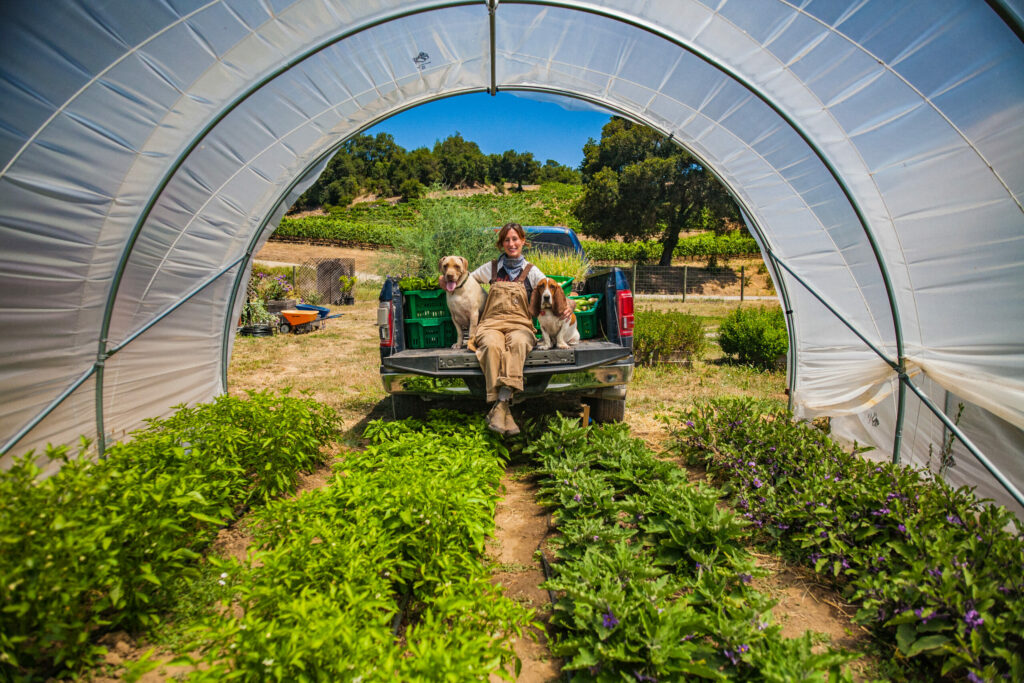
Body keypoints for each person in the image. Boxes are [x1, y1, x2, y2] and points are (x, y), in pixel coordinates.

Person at [468, 222, 568, 435]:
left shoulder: (532, 272)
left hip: (520, 324)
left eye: (515, 239)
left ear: (523, 241)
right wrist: (446, 281)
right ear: (501, 244)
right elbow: (467, 281)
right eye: (507, 240)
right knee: (491, 346)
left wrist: (570, 306)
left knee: (520, 343)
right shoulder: (491, 268)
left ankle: (500, 405)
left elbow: (553, 291)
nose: (511, 244)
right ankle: (504, 409)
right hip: (491, 324)